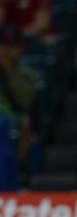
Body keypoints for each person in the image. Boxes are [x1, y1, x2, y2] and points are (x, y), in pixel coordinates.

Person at [0, 23, 38, 191]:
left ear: (20, 47)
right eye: (3, 44)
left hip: (9, 122)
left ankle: (7, 192)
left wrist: (7, 70)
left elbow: (23, 102)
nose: (7, 49)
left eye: (12, 45)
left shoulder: (26, 75)